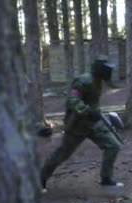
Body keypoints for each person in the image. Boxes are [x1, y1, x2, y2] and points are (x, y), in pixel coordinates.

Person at [40, 57, 123, 193]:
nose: (110, 72)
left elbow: (93, 103)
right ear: (100, 70)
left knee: (113, 145)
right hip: (77, 125)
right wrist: (87, 111)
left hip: (93, 124)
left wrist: (97, 115)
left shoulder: (98, 81)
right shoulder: (83, 81)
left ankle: (106, 179)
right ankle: (41, 178)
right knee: (62, 153)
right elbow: (72, 100)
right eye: (108, 69)